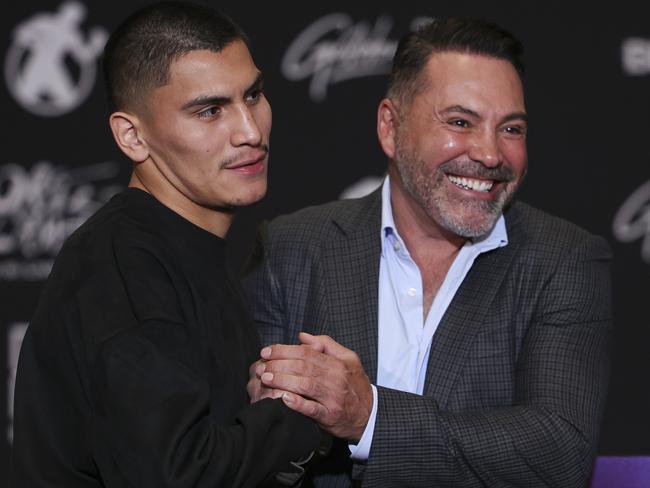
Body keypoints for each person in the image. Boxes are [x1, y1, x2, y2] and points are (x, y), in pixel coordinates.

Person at [244, 17, 612, 487]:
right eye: (460, 122)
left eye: (512, 129)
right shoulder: (293, 247)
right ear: (390, 128)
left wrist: (369, 417)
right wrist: (287, 423)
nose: (490, 154)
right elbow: (256, 453)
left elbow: (559, 454)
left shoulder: (564, 259)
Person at [10, 2, 322, 487]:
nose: (250, 131)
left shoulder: (183, 249)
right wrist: (299, 411)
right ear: (133, 137)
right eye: (210, 110)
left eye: (254, 95)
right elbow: (178, 476)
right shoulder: (123, 266)